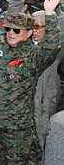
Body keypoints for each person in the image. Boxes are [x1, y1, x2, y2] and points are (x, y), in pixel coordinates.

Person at [0, 0, 62, 164]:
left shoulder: (34, 56)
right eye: (8, 29)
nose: (11, 33)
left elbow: (51, 47)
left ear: (29, 33)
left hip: (18, 130)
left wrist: (50, 14)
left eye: (17, 30)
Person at [32, 9, 64, 149]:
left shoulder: (55, 52)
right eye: (31, 26)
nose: (34, 30)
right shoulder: (25, 48)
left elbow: (49, 102)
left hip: (47, 113)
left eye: (38, 26)